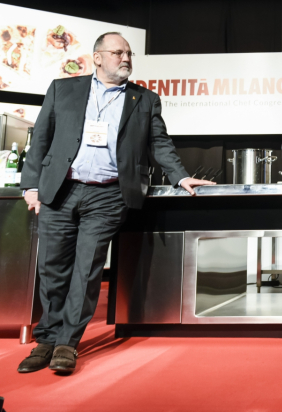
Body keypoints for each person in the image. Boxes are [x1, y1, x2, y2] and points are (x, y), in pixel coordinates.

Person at [17, 32, 215, 375]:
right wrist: (30, 185)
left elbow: (160, 144)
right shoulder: (63, 89)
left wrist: (181, 177)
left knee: (86, 269)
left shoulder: (145, 99)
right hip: (60, 191)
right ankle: (45, 340)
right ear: (97, 58)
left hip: (107, 195)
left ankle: (67, 343)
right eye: (117, 52)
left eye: (128, 53)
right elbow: (41, 140)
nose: (126, 58)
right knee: (51, 268)